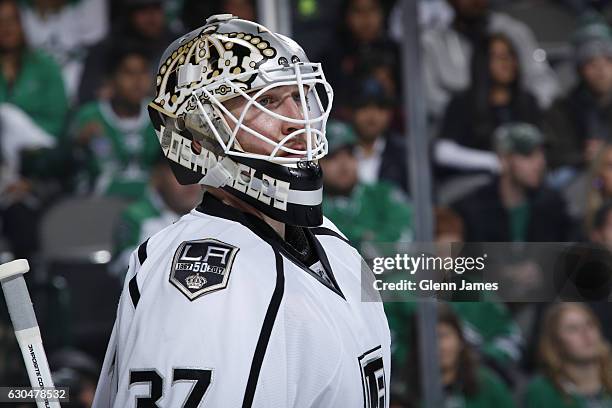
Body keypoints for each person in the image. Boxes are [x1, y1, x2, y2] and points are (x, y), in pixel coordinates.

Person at [93, 14, 391, 407]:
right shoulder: (201, 278)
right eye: (265, 101)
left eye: (299, 96)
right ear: (197, 139)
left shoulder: (332, 241)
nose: (297, 120)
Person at [422, 0, 559, 121]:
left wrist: (523, 110)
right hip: (461, 129)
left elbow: (545, 82)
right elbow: (430, 98)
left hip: (517, 120)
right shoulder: (432, 41)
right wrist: (471, 116)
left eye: (505, 56)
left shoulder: (515, 31)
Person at [435, 33, 541, 177]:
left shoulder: (527, 101)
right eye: (498, 57)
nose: (506, 62)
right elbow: (443, 152)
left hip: (522, 181)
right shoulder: (463, 103)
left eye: (510, 55)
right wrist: (494, 163)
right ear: (483, 63)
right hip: (473, 182)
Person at [452, 122, 572, 242]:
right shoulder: (472, 209)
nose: (540, 162)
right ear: (503, 159)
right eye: (528, 154)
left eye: (541, 154)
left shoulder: (553, 205)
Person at [71, 46, 159, 199]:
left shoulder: (160, 114)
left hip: (152, 205)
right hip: (99, 206)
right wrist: (76, 144)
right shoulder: (90, 116)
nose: (138, 81)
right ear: (110, 80)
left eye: (143, 72)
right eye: (129, 73)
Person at [321, 120, 412, 252]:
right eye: (332, 157)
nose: (344, 165)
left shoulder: (383, 194)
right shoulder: (310, 206)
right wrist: (364, 236)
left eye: (350, 154)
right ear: (317, 162)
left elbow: (404, 240)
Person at [401, 303, 516, 408]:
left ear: (460, 340)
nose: (438, 346)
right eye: (429, 338)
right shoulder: (404, 392)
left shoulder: (488, 386)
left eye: (443, 336)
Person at [111, 155, 202, 275]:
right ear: (157, 177)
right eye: (181, 172)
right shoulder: (137, 217)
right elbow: (122, 270)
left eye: (196, 170)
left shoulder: (214, 217)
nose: (191, 181)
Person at [544, 17, 612, 172]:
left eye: (608, 61)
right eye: (592, 63)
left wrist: (607, 154)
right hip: (578, 179)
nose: (601, 71)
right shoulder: (563, 108)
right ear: (580, 69)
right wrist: (583, 157)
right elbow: (552, 155)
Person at [525, 302, 612, 408]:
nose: (586, 333)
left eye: (590, 324)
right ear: (555, 342)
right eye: (572, 329)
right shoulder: (542, 392)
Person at [351, 78, 409, 192]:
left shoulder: (404, 154)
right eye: (363, 106)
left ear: (390, 114)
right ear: (351, 112)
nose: (372, 116)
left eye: (380, 107)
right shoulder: (336, 152)